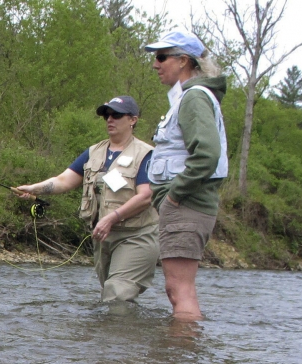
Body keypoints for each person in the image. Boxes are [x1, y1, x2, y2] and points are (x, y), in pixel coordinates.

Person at [14, 96, 157, 302]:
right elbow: (64, 181)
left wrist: (111, 218)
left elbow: (146, 196)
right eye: (106, 115)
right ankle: (124, 334)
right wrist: (34, 188)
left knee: (116, 293)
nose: (110, 119)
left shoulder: (146, 154)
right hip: (103, 237)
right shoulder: (93, 152)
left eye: (116, 115)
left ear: (133, 119)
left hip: (137, 235)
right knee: (113, 295)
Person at [143, 31, 229, 321]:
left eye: (161, 56)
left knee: (179, 291)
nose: (155, 64)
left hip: (187, 205)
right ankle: (182, 361)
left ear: (183, 60)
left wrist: (174, 197)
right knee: (177, 290)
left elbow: (207, 154)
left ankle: (180, 360)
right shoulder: (190, 97)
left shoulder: (193, 98)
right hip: (186, 206)